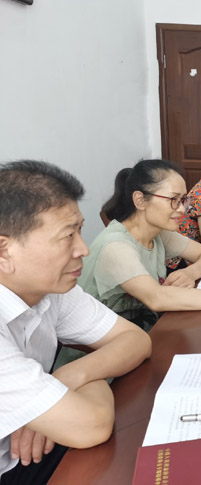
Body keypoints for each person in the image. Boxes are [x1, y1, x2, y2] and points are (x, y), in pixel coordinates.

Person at [0, 160, 151, 484]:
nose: (83, 249)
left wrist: (69, 376)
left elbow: (136, 340)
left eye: (80, 230)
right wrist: (81, 384)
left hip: (38, 449)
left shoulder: (51, 289)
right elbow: (90, 426)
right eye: (67, 235)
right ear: (4, 251)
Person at [78, 159, 201, 331]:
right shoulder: (115, 246)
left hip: (143, 331)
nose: (182, 209)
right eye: (173, 199)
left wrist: (190, 273)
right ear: (140, 200)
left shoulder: (159, 233)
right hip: (102, 351)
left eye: (183, 200)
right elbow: (157, 298)